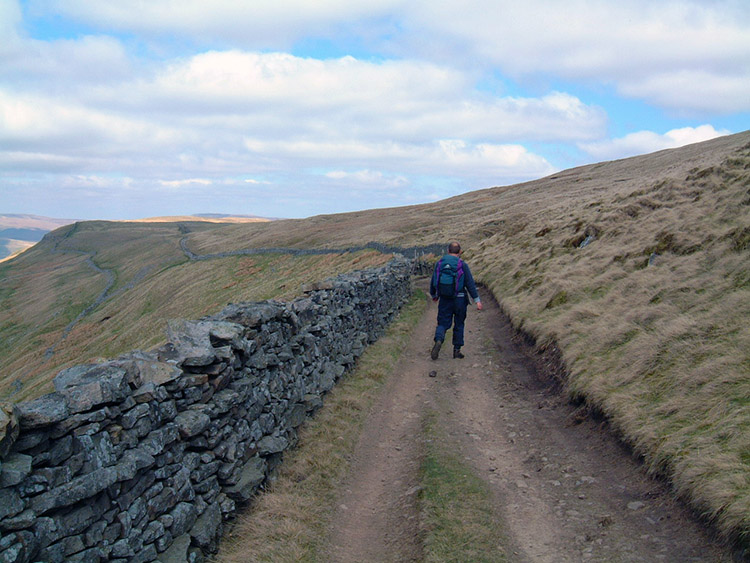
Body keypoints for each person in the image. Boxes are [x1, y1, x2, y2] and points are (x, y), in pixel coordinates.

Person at [429, 241, 482, 360]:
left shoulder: (440, 263)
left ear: (448, 251)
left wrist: (434, 295)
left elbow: (434, 280)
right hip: (460, 299)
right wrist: (477, 300)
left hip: (445, 299)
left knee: (442, 323)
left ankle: (439, 339)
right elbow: (470, 283)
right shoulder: (462, 264)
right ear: (460, 252)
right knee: (459, 323)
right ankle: (456, 351)